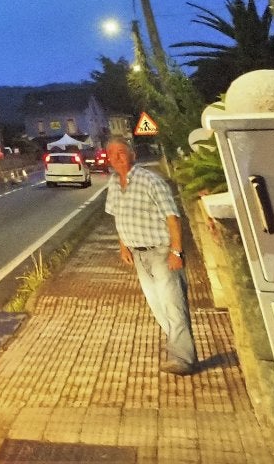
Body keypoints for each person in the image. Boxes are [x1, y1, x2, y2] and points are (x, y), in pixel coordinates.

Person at [104, 136, 198, 374]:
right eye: (112, 155)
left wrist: (177, 251)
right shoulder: (114, 183)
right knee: (157, 306)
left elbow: (172, 217)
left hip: (162, 252)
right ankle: (177, 349)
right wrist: (123, 245)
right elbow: (118, 216)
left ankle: (184, 359)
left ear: (132, 155)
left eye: (121, 153)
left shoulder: (151, 181)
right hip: (138, 254)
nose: (117, 159)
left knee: (173, 305)